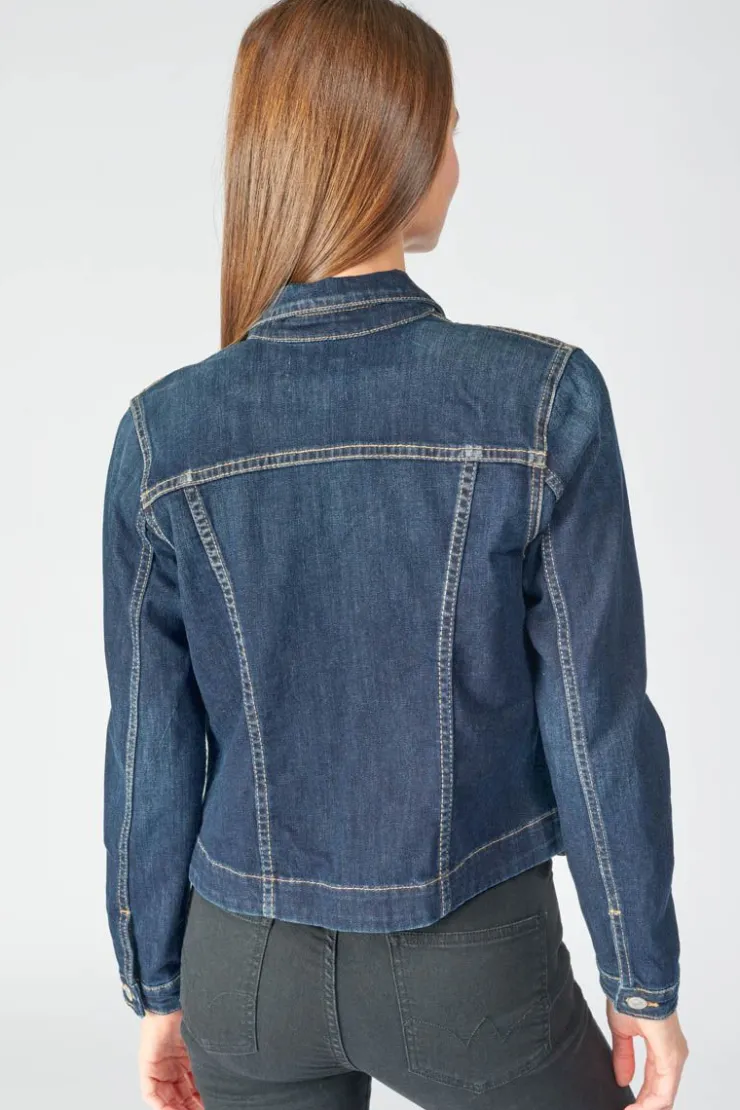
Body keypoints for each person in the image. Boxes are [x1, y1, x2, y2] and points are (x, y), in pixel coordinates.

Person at [101, 1, 689, 1108]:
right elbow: (596, 720)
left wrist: (160, 991)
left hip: (245, 974)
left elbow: (148, 747)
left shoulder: (161, 437)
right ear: (398, 147)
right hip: (471, 958)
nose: (456, 162)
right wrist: (640, 979)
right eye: (450, 130)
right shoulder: (539, 400)